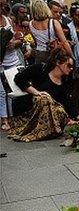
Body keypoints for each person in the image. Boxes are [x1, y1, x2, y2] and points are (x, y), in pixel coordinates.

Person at [8, 48, 76, 141]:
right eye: (69, 65)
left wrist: (78, 116)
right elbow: (19, 78)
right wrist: (35, 92)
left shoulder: (64, 81)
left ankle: (49, 130)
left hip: (49, 113)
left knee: (58, 108)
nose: (71, 69)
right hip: (29, 108)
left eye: (72, 66)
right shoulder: (40, 69)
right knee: (44, 98)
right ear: (58, 63)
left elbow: (67, 101)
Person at [1, 0, 23, 130]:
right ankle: (4, 119)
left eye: (4, 5)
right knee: (2, 92)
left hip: (12, 59)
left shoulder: (8, 20)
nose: (3, 8)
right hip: (1, 61)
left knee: (13, 90)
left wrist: (15, 43)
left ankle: (13, 117)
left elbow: (18, 38)